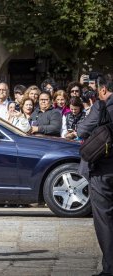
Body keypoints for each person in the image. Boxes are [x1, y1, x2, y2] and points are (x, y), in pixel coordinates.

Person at [77, 74, 113, 276]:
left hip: (103, 170)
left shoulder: (100, 106)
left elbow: (82, 130)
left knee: (104, 219)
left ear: (103, 90)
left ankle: (110, 268)